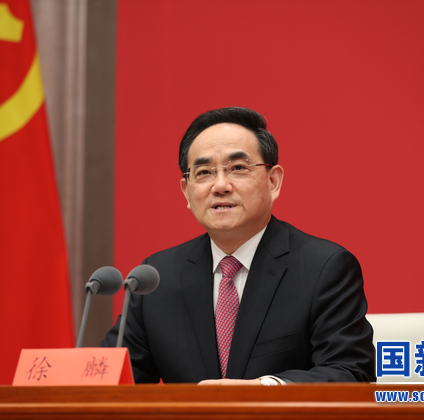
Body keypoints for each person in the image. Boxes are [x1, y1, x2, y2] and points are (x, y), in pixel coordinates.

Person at [101, 107, 375, 385]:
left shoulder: (323, 268)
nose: (220, 186)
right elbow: (113, 378)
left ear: (273, 181)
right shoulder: (157, 277)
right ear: (186, 191)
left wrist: (263, 391)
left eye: (238, 168)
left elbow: (351, 373)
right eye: (204, 172)